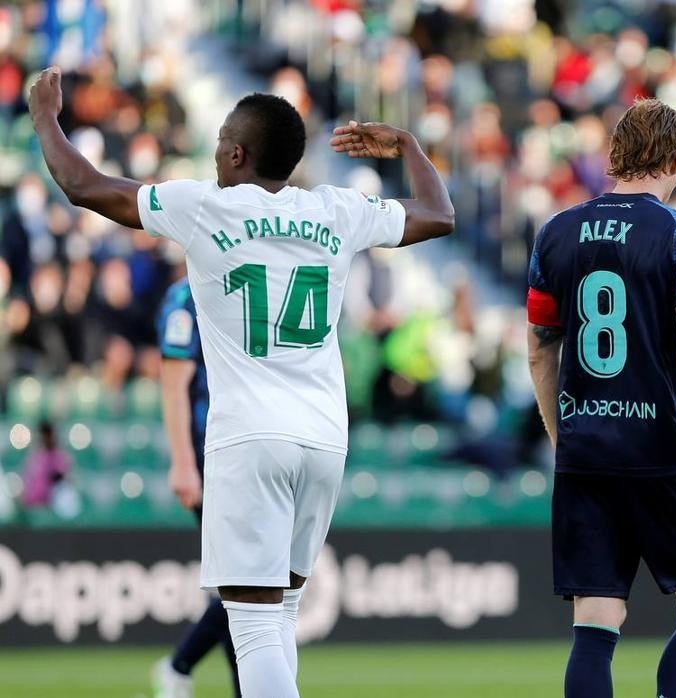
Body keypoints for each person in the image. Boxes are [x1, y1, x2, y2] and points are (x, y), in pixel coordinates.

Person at [29, 66, 454, 697]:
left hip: (249, 438)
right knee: (278, 614)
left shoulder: (203, 206)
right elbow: (438, 215)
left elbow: (82, 183)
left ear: (236, 152)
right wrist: (410, 149)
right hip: (324, 441)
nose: (214, 149)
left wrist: (43, 114)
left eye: (222, 138)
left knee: (252, 626)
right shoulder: (335, 210)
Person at [526, 98, 676, 698]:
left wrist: (564, 438)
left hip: (587, 451)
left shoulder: (555, 233)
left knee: (595, 618)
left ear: (616, 155)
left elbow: (542, 348)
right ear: (675, 158)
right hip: (662, 449)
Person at [150, 277, 241, 698]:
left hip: (243, 448)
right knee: (245, 583)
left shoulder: (228, 279)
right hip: (211, 452)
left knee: (243, 584)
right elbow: (174, 380)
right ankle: (182, 665)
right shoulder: (186, 296)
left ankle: (180, 664)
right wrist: (184, 462)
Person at [20, 421, 72, 509]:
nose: (45, 439)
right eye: (42, 436)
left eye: (48, 436)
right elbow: (28, 481)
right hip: (34, 504)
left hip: (53, 504)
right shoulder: (34, 456)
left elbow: (64, 481)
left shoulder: (60, 457)